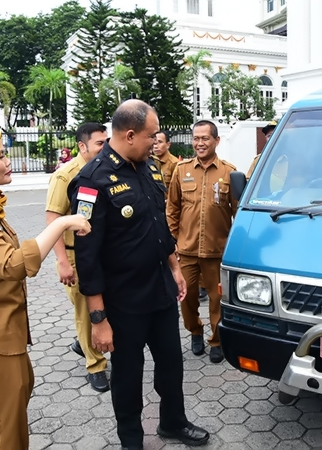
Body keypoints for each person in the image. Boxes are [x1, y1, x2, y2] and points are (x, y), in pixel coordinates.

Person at [69, 100, 209, 449]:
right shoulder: (91, 181)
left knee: (171, 365)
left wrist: (175, 268)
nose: (156, 142)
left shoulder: (147, 168)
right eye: (150, 136)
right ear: (130, 135)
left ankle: (173, 422)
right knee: (128, 376)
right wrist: (99, 319)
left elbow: (160, 227)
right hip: (124, 301)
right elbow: (87, 258)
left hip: (160, 290)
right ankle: (131, 439)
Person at [0, 125, 91, 450]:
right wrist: (63, 223)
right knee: (5, 434)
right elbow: (10, 264)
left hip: (1, 332)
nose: (7, 161)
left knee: (14, 413)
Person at [166, 120, 238, 364]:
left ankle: (216, 341)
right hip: (186, 250)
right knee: (186, 298)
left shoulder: (230, 172)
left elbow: (238, 213)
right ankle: (195, 331)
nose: (199, 143)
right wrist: (173, 240)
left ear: (216, 141)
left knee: (217, 301)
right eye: (196, 138)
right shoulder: (181, 170)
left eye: (205, 138)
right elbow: (172, 208)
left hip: (217, 251)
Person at [45, 122, 109, 392]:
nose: (105, 147)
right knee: (86, 312)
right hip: (75, 255)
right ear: (82, 146)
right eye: (99, 143)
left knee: (104, 307)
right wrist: (62, 261)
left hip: (103, 254)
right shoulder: (66, 176)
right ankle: (95, 366)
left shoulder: (107, 170)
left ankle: (81, 344)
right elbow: (53, 218)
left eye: (107, 141)